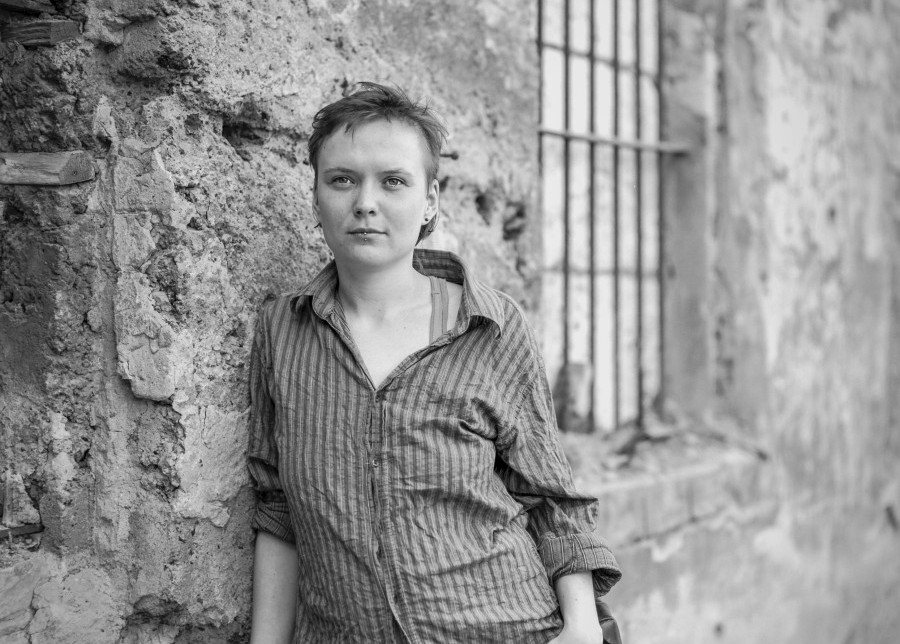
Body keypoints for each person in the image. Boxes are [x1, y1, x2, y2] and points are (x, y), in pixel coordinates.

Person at [247, 82, 621, 644]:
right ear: (316, 194)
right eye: (342, 179)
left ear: (429, 201)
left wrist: (583, 628)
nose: (365, 202)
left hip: (507, 630)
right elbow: (279, 508)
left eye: (393, 181)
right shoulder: (282, 331)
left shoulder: (490, 326)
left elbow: (552, 497)